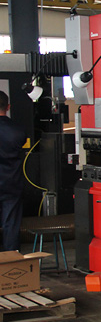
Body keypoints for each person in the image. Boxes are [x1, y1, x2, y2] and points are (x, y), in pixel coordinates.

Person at [0, 91, 26, 252]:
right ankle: (12, 260)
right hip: (11, 183)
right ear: (8, 107)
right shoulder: (18, 130)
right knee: (11, 224)